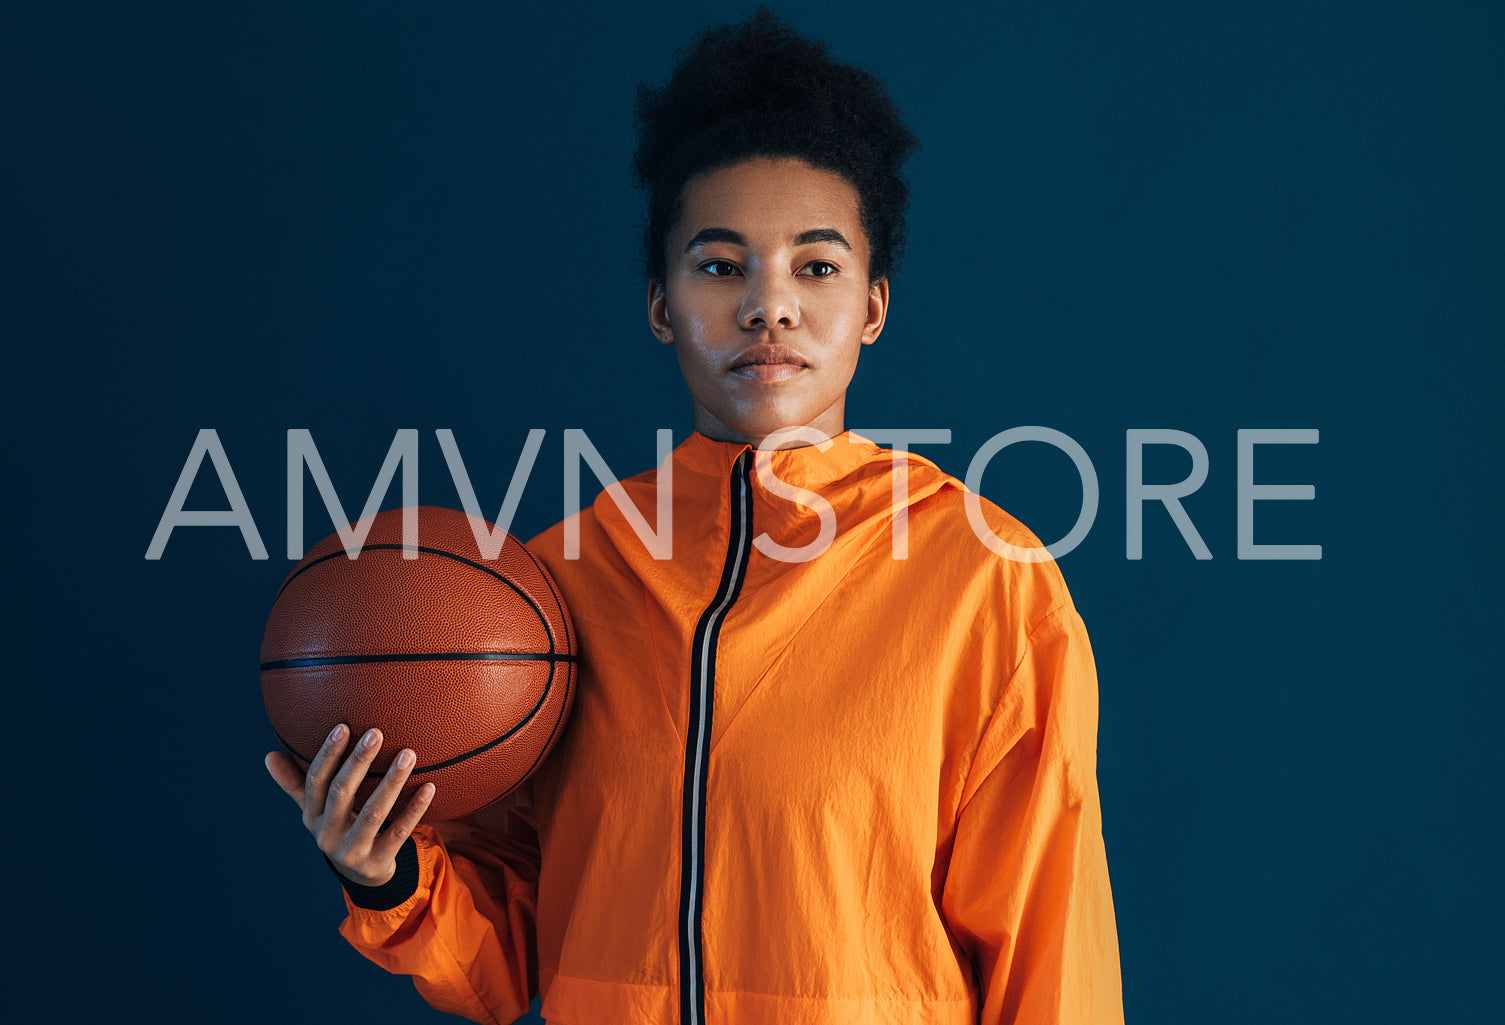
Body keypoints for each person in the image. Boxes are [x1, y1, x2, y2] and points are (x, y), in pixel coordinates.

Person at [265, 8, 1124, 1023]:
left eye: (816, 265)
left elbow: (1048, 950)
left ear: (874, 306)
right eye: (720, 265)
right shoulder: (549, 591)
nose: (770, 305)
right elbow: (499, 958)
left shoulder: (984, 577)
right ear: (661, 303)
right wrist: (385, 875)